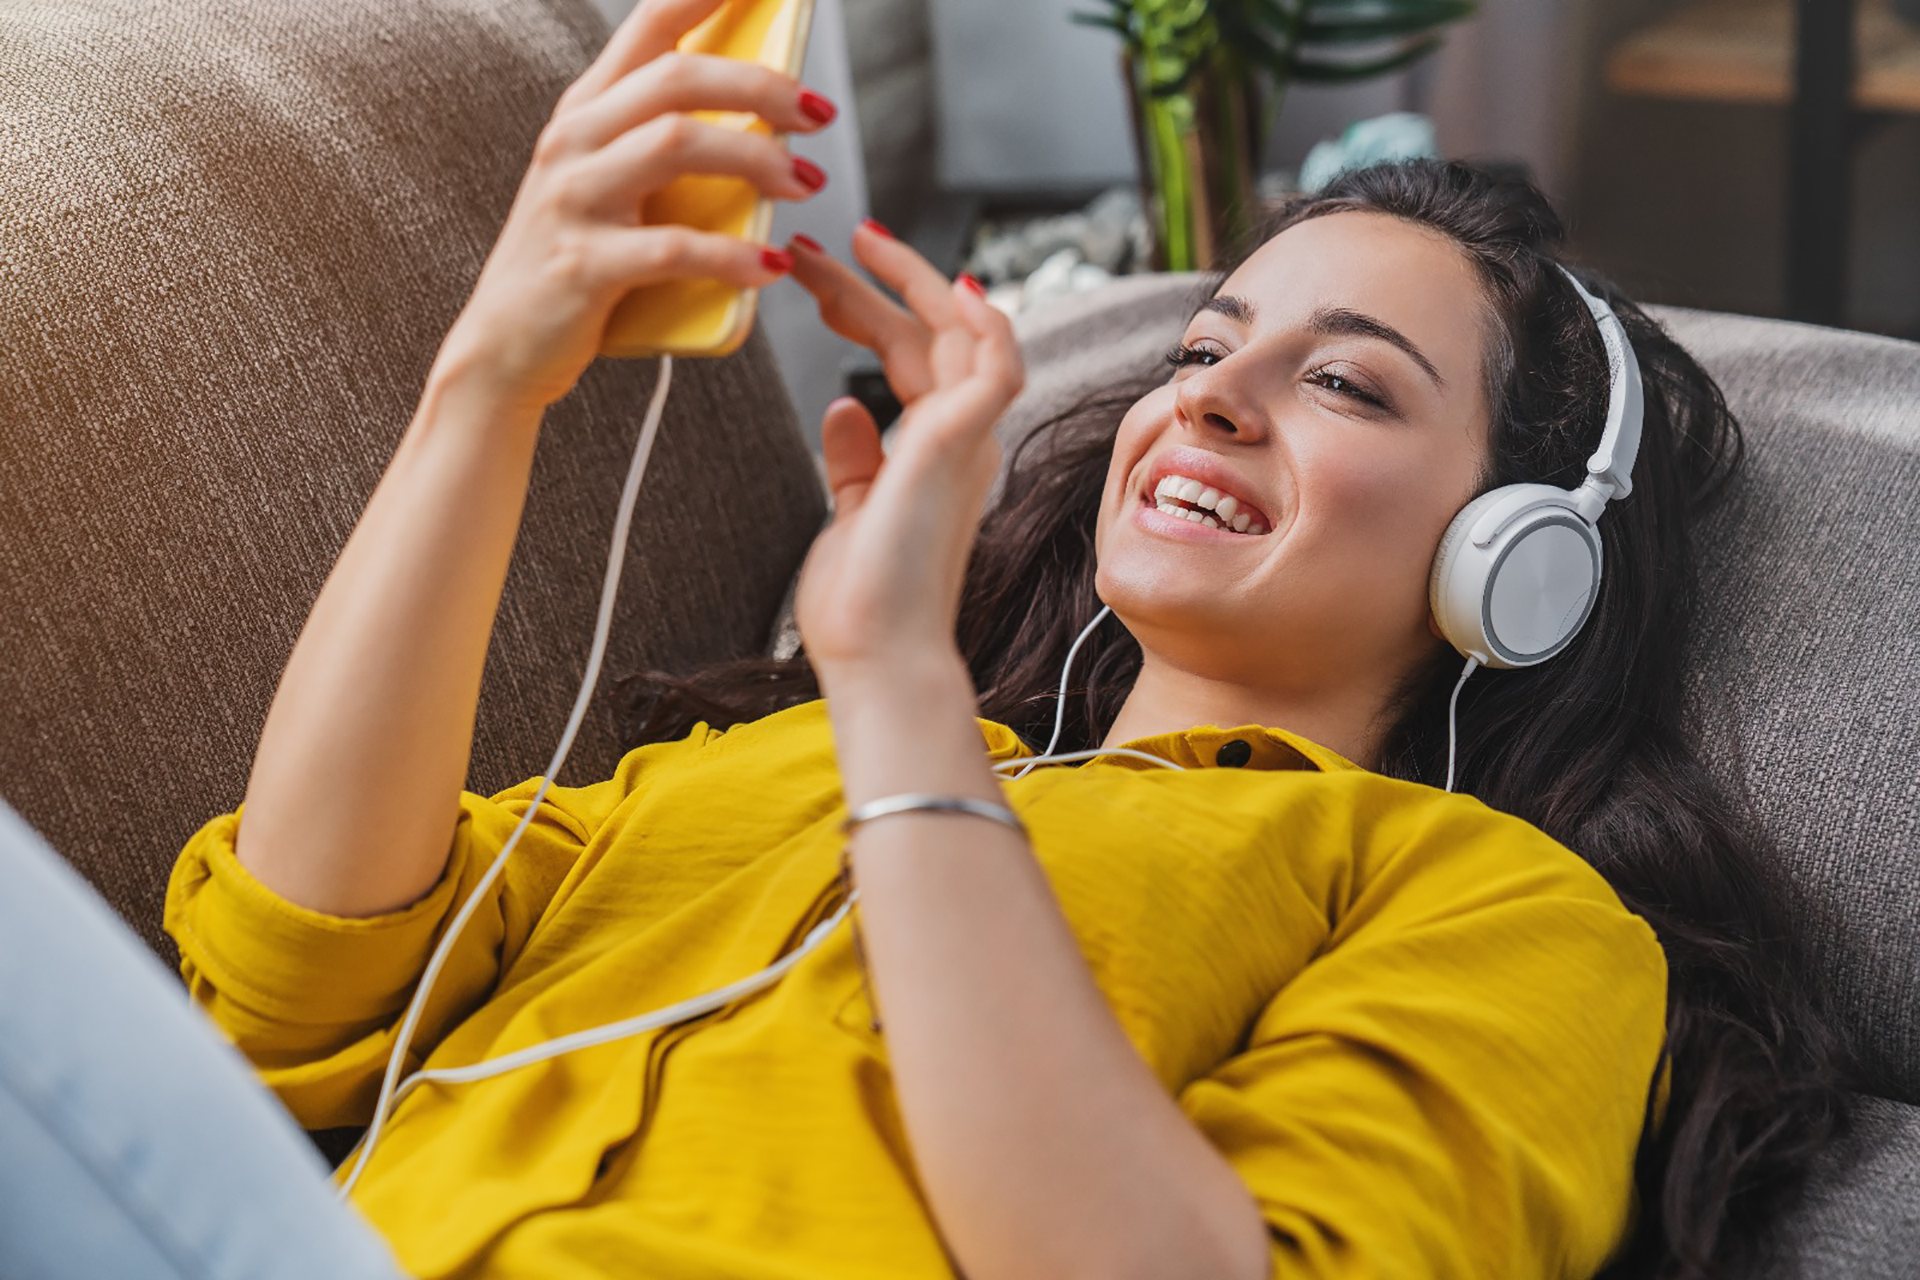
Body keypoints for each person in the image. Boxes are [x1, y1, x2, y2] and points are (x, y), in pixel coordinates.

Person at [2, 1, 1851, 1278]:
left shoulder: (1501, 916)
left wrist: (898, 679)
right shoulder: (761, 770)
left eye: (1349, 384)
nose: (1208, 399)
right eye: (1204, 348)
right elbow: (291, 995)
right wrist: (488, 379)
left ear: (1520, 557)